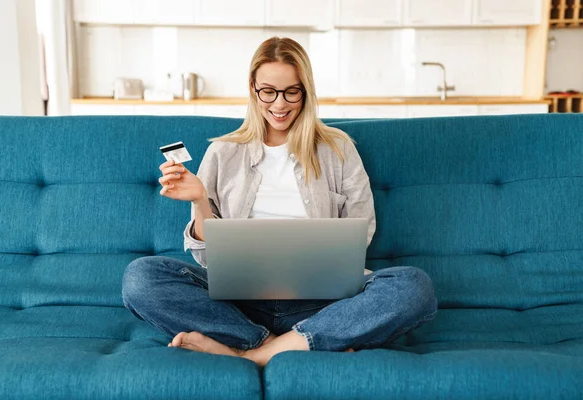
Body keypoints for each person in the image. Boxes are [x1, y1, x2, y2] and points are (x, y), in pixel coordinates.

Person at [121, 36, 437, 367]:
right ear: (253, 89)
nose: (279, 104)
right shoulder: (223, 152)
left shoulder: (338, 150)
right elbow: (206, 258)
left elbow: (362, 231)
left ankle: (251, 354)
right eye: (268, 91)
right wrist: (200, 200)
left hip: (323, 302)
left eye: (291, 92)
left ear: (305, 91)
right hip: (239, 304)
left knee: (414, 287)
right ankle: (291, 343)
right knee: (140, 277)